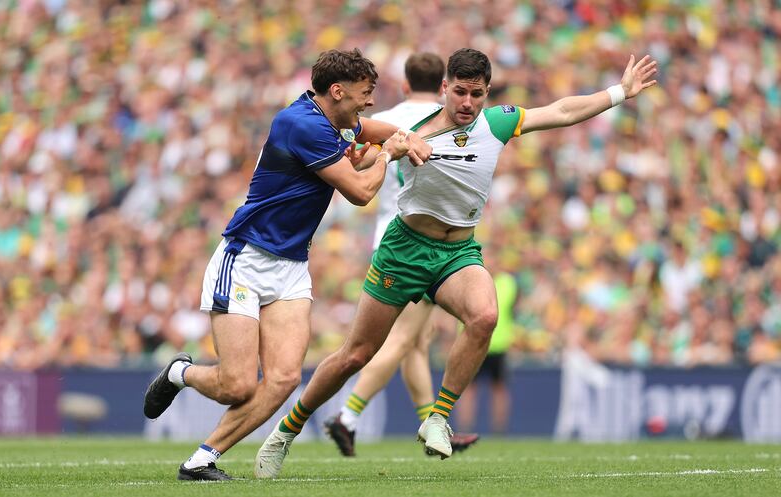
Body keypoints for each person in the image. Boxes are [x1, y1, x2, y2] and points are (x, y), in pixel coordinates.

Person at [255, 48, 657, 478]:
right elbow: (365, 154)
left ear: (487, 93)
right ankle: (285, 431)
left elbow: (560, 110)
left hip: (458, 251)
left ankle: (437, 418)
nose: (468, 103)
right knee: (356, 355)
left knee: (484, 316)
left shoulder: (497, 122)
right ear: (444, 89)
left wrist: (619, 92)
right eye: (460, 92)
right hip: (405, 248)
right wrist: (371, 156)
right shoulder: (410, 128)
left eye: (477, 94)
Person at [141, 48, 431, 481]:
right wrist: (390, 153)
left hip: (291, 266)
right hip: (245, 258)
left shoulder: (335, 118)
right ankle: (181, 373)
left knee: (283, 378)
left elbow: (375, 127)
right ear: (337, 91)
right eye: (364, 93)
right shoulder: (301, 125)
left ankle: (202, 459)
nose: (369, 102)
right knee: (236, 385)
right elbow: (360, 192)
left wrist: (410, 136)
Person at [323, 52, 479, 457]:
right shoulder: (449, 118)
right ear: (443, 85)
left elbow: (355, 158)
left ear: (406, 84)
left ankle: (431, 421)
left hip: (387, 236)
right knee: (401, 339)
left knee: (416, 342)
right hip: (420, 244)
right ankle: (348, 415)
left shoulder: (390, 117)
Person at [455, 252, 517, 434]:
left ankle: (499, 430)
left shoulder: (508, 283)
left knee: (498, 388)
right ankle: (465, 428)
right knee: (467, 388)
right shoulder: (471, 280)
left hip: (498, 344)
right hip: (472, 342)